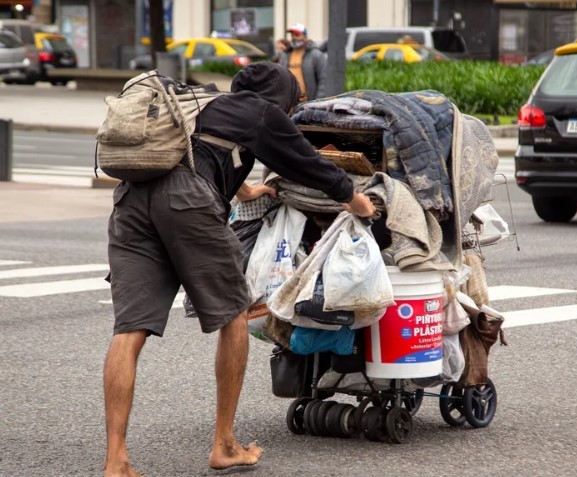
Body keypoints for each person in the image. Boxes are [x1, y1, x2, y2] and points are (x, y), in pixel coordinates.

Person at [102, 62, 375, 477]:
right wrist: (356, 202)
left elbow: (199, 151)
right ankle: (225, 444)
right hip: (187, 203)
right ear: (283, 97)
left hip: (131, 202)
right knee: (234, 317)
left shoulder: (207, 104)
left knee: (129, 330)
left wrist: (245, 189)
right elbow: (310, 165)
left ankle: (116, 460)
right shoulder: (264, 112)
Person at [274, 23, 327, 101]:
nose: (294, 38)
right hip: (290, 103)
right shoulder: (285, 55)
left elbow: (324, 80)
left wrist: (318, 101)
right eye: (292, 35)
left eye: (297, 35)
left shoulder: (316, 55)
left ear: (305, 37)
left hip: (309, 102)